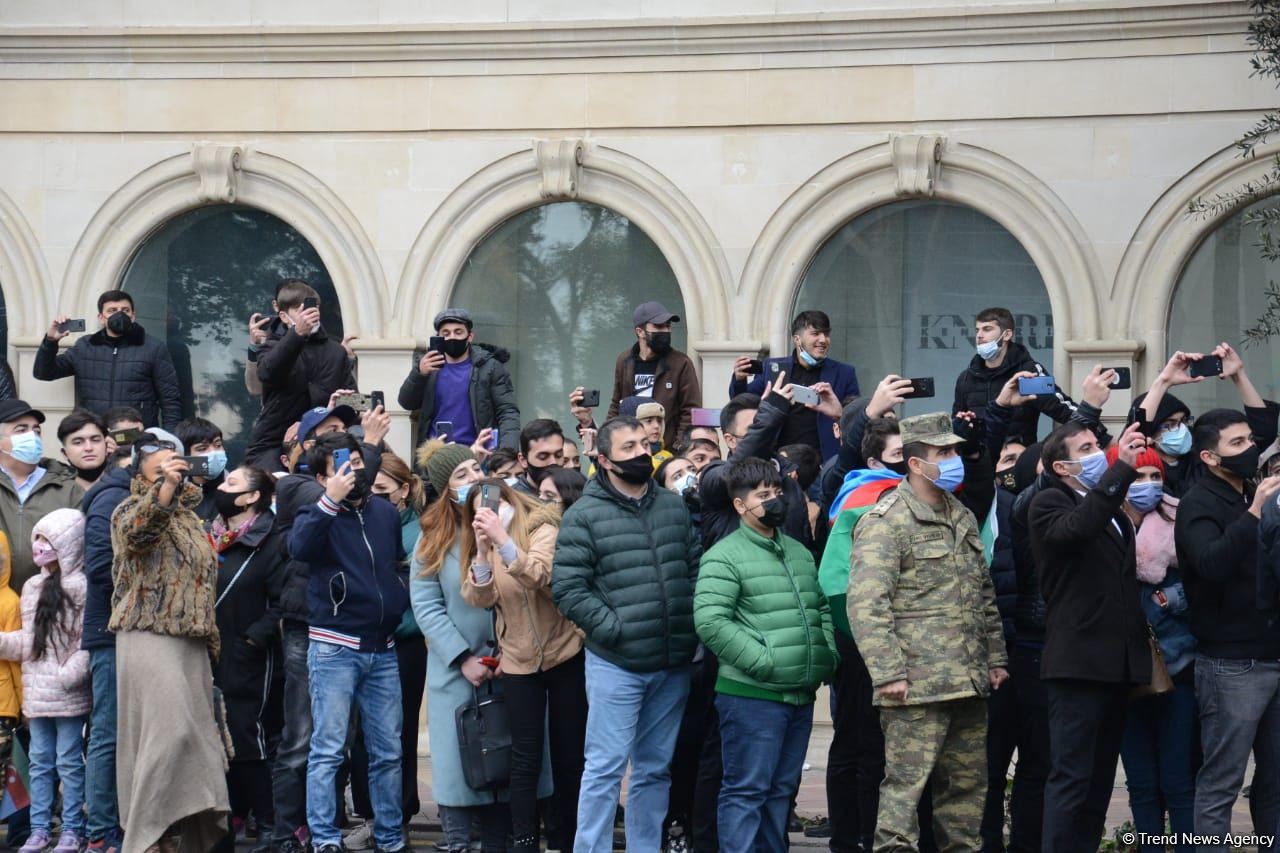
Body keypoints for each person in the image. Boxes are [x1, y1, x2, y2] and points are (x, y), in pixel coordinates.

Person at [848, 412, 1008, 851]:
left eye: (955, 450)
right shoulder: (886, 521)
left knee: (966, 797)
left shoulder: (961, 515)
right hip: (915, 686)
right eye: (944, 453)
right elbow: (867, 605)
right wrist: (888, 673)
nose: (955, 459)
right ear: (916, 463)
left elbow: (983, 595)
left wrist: (995, 659)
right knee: (904, 793)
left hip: (968, 682)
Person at [552, 416, 701, 852]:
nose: (640, 453)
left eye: (643, 444)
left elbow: (693, 568)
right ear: (603, 460)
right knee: (604, 769)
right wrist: (613, 629)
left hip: (671, 662)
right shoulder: (584, 514)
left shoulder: (673, 506)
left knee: (655, 770)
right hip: (617, 664)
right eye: (628, 447)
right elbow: (567, 588)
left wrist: (689, 624)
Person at [694, 457, 836, 851]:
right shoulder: (724, 556)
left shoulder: (796, 551)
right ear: (740, 505)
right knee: (746, 792)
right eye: (762, 495)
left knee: (780, 793)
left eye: (776, 492)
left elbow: (819, 607)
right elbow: (710, 621)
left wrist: (824, 656)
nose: (774, 500)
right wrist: (764, 662)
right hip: (752, 697)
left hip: (799, 695)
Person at [268, 403, 390, 853]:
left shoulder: (359, 494)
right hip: (309, 626)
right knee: (305, 736)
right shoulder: (299, 486)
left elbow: (365, 490)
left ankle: (330, 820)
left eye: (344, 432)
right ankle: (289, 831)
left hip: (359, 630)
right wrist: (368, 449)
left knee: (346, 739)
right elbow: (330, 503)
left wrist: (368, 453)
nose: (339, 440)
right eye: (326, 434)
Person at [1028, 415, 1152, 853]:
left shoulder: (1111, 510)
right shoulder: (1048, 503)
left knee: (1100, 780)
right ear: (1061, 468)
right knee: (1072, 777)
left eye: (1097, 445)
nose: (1097, 453)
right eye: (1085, 450)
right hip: (1077, 663)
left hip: (1116, 663)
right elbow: (1077, 529)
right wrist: (1121, 470)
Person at [289, 432, 409, 853]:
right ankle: (324, 840)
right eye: (340, 467)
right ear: (323, 478)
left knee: (388, 752)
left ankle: (391, 838)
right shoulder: (315, 512)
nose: (352, 471)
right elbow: (298, 547)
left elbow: (394, 560)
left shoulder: (384, 513)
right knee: (328, 750)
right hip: (334, 645)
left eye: (357, 462)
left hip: (383, 645)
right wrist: (329, 502)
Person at [110, 434, 229, 853]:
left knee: (199, 743)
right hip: (149, 633)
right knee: (168, 736)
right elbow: (138, 536)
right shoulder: (128, 509)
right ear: (140, 472)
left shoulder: (193, 520)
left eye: (175, 465)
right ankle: (145, 838)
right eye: (159, 468)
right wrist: (162, 491)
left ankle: (185, 838)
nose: (171, 473)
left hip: (193, 642)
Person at [460, 477, 586, 852]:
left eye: (495, 503)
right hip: (517, 659)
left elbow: (542, 576)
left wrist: (504, 541)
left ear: (510, 500)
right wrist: (483, 553)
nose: (488, 512)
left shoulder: (543, 527)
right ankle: (526, 839)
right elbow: (479, 598)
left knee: (569, 754)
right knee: (524, 756)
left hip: (563, 651)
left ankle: (570, 838)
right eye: (479, 511)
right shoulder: (484, 542)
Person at [411, 441, 526, 852]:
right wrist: (462, 657)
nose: (475, 478)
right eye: (461, 475)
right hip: (457, 673)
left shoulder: (512, 522)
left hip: (511, 665)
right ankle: (456, 844)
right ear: (445, 489)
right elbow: (426, 605)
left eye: (475, 469)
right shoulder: (433, 537)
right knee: (459, 772)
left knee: (503, 769)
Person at [1175, 407, 1280, 849]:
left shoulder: (1248, 491)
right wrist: (1255, 513)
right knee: (1222, 779)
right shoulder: (1198, 504)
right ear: (1209, 457)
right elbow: (1210, 565)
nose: (1249, 449)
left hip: (1271, 650)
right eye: (1236, 444)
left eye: (1250, 441)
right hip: (1232, 664)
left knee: (1275, 781)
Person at [817, 416, 902, 853]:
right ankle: (852, 838)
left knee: (879, 747)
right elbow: (836, 581)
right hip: (861, 645)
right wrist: (866, 643)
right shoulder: (864, 498)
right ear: (873, 461)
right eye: (897, 458)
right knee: (860, 744)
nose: (907, 464)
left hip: (894, 644)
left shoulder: (908, 496)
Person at [1109, 445, 1197, 853]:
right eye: (1138, 476)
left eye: (1154, 476)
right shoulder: (1103, 525)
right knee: (1141, 783)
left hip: (1178, 667)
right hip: (1123, 671)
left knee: (1179, 782)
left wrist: (1167, 600)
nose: (1147, 485)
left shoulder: (1182, 520)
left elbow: (1206, 583)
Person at [79, 428, 151, 853]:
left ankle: (121, 826)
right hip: (111, 631)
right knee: (108, 731)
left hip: (129, 628)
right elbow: (102, 568)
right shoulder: (112, 498)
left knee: (128, 731)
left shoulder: (122, 493)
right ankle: (101, 831)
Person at [0, 509, 89, 853]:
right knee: (39, 763)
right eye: (36, 538)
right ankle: (39, 829)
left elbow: (85, 642)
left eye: (47, 540)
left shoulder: (81, 586)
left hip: (66, 693)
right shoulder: (32, 586)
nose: (38, 546)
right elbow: (27, 641)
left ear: (67, 544)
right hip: (37, 693)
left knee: (68, 761)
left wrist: (69, 674)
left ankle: (72, 829)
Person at [207, 466, 286, 851]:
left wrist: (255, 639)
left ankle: (269, 822)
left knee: (246, 736)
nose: (221, 488)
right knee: (213, 740)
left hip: (248, 653)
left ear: (252, 497)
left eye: (231, 483)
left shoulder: (271, 539)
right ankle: (228, 820)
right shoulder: (207, 534)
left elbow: (284, 599)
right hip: (206, 651)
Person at [366, 452, 428, 834]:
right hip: (366, 639)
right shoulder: (359, 522)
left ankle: (401, 809)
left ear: (404, 491)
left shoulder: (420, 532)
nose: (373, 497)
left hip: (405, 641)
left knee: (399, 730)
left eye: (381, 490)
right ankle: (375, 812)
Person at [1130, 346, 1278, 499]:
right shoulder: (1142, 466)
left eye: (1184, 421)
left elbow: (1263, 432)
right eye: (1171, 423)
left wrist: (1238, 375)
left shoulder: (1201, 461)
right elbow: (1134, 437)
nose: (1180, 428)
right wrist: (1162, 382)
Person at [245, 281, 357, 470]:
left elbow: (354, 403)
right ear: (284, 316)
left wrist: (342, 405)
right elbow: (266, 373)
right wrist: (298, 334)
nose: (308, 314)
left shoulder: (336, 352)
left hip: (324, 442)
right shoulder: (271, 346)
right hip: (274, 441)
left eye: (313, 309)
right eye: (299, 309)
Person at [35, 290, 182, 428]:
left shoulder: (153, 348)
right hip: (94, 434)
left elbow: (170, 400)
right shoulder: (84, 347)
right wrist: (50, 341)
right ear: (101, 318)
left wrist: (169, 438)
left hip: (136, 435)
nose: (120, 315)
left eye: (125, 310)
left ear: (133, 315)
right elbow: (44, 373)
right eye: (112, 311)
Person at [730, 310, 860, 460]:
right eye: (816, 333)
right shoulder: (773, 368)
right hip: (780, 461)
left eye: (826, 334)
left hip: (823, 462)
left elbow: (856, 418)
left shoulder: (844, 373)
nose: (823, 339)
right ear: (797, 339)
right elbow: (741, 403)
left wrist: (839, 413)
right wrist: (739, 380)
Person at [398, 308, 520, 452]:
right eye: (446, 333)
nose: (452, 337)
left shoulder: (489, 367)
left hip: (478, 454)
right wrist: (419, 373)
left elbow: (507, 411)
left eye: (458, 332)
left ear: (470, 336)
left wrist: (506, 452)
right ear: (439, 337)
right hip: (436, 457)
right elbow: (406, 403)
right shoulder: (428, 366)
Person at [952, 307, 1078, 445]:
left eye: (987, 329)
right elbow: (956, 425)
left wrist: (1101, 438)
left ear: (1006, 335)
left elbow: (1062, 409)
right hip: (979, 462)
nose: (979, 335)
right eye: (977, 330)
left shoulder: (1027, 372)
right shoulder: (966, 378)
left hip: (1017, 460)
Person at [0, 400, 84, 591]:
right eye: (21, 430)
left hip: (51, 604)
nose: (32, 437)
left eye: (36, 431)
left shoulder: (68, 488)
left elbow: (82, 550)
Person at [606, 302, 702, 450]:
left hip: (667, 451)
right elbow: (616, 404)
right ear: (640, 331)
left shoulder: (680, 363)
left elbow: (690, 410)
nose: (666, 331)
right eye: (658, 326)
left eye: (668, 326)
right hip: (631, 448)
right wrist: (608, 441)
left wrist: (679, 447)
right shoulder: (624, 360)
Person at [173, 417, 231, 521]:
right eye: (202, 449)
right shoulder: (176, 495)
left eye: (218, 445)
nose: (213, 452)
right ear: (185, 456)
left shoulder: (236, 489)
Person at [511, 419, 566, 498]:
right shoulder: (510, 500)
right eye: (543, 457)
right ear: (523, 460)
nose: (553, 462)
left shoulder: (573, 493)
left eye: (558, 455)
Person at [57, 409, 109, 491]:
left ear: (106, 447)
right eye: (78, 442)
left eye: (95, 440)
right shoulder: (54, 490)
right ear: (64, 453)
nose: (89, 448)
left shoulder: (127, 484)